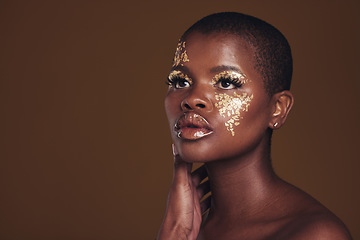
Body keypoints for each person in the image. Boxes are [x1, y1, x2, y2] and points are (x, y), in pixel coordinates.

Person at [157, 12, 352, 240]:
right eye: (180, 81)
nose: (191, 99)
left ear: (278, 108)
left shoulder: (315, 235)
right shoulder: (186, 228)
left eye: (226, 82)